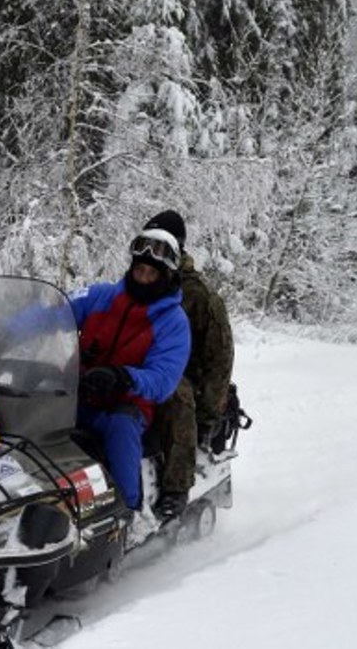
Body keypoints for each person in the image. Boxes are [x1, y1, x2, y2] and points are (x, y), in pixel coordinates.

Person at [69, 216, 191, 511]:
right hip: (77, 393)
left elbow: (163, 380)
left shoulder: (173, 322)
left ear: (166, 275)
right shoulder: (101, 295)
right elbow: (54, 311)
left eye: (151, 272)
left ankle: (127, 512)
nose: (143, 277)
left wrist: (123, 376)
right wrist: (12, 327)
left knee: (122, 425)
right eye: (139, 269)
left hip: (127, 404)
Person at [145, 211, 235, 520]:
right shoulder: (141, 278)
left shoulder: (199, 296)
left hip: (186, 379)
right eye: (147, 244)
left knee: (176, 394)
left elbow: (219, 358)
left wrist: (208, 418)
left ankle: (176, 486)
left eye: (159, 246)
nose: (151, 254)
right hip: (141, 367)